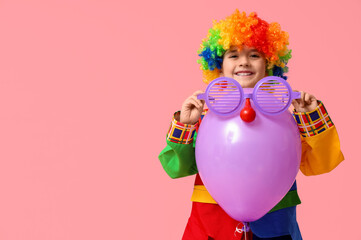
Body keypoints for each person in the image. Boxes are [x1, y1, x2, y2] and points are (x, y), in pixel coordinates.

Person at [158, 10, 344, 240]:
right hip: (212, 227)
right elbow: (176, 168)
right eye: (233, 55)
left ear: (269, 63)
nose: (244, 61)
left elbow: (321, 164)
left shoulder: (286, 115)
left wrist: (311, 117)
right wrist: (185, 125)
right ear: (218, 65)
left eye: (254, 54)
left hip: (274, 228)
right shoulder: (205, 114)